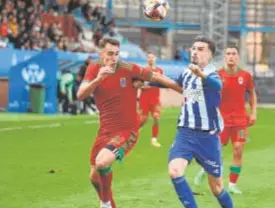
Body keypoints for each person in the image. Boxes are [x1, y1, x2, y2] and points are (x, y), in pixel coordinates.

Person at [77, 38, 182, 208]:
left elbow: (157, 76)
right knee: (94, 177)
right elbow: (80, 94)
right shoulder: (94, 68)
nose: (114, 58)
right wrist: (98, 79)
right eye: (110, 54)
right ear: (101, 53)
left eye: (116, 54)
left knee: (102, 162)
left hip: (127, 130)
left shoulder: (127, 68)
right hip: (105, 131)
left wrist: (184, 90)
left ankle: (104, 204)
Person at [168, 36, 234, 208]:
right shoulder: (187, 73)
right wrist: (146, 81)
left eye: (200, 49)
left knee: (217, 188)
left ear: (210, 55)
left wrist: (201, 74)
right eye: (194, 48)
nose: (195, 52)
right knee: (175, 171)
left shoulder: (213, 74)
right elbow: (170, 82)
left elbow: (217, 86)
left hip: (208, 137)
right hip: (185, 132)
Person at [194, 45, 257, 194]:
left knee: (238, 150)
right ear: (225, 57)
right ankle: (204, 169)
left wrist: (254, 112)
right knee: (216, 151)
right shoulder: (217, 75)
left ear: (238, 57)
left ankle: (232, 184)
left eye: (234, 53)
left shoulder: (246, 76)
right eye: (228, 53)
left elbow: (252, 94)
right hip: (221, 120)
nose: (231, 56)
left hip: (240, 120)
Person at [138, 52, 164, 147]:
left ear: (155, 59)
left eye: (152, 57)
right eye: (149, 57)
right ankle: (135, 131)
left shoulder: (160, 71)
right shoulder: (142, 71)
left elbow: (162, 82)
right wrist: (148, 85)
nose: (150, 59)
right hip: (144, 98)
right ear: (147, 59)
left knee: (156, 117)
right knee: (143, 119)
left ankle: (154, 140)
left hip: (155, 98)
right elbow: (139, 84)